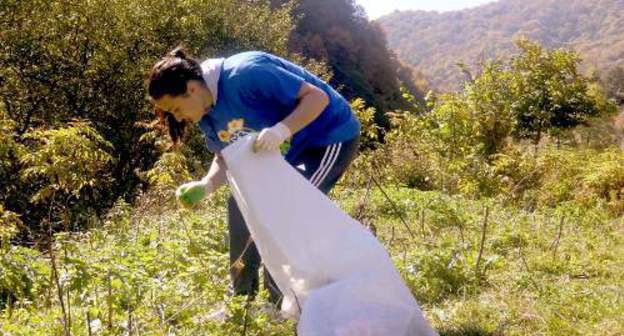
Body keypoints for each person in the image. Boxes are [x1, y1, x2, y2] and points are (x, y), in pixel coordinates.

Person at [147, 47, 360, 304]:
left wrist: (282, 130)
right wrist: (206, 185)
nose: (176, 117)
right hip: (287, 149)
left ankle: (282, 302)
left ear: (191, 88)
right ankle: (241, 300)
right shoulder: (206, 113)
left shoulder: (246, 73)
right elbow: (225, 157)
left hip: (328, 137)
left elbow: (317, 98)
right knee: (239, 204)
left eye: (175, 108)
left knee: (286, 210)